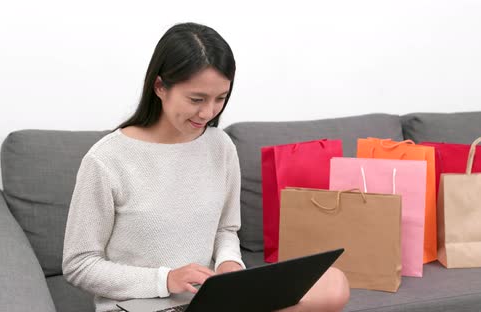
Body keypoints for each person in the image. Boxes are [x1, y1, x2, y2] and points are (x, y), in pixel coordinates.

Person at [62, 22, 350, 312]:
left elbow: (225, 229)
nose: (209, 112)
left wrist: (229, 265)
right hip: (140, 306)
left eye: (220, 98)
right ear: (160, 87)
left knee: (334, 283)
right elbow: (79, 264)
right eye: (196, 99)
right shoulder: (106, 160)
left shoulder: (221, 147)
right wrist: (166, 280)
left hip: (209, 301)